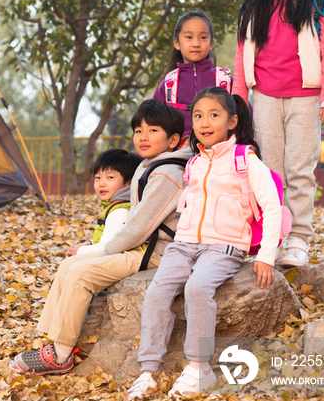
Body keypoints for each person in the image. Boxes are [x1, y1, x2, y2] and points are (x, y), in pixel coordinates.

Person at [10, 100, 191, 376]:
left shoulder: (169, 174)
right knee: (67, 266)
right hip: (138, 248)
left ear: (174, 139)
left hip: (153, 254)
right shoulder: (148, 166)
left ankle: (60, 357)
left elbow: (138, 228)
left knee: (81, 273)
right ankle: (54, 341)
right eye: (138, 130)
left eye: (153, 130)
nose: (143, 137)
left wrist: (101, 252)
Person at [126, 87, 281, 400]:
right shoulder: (194, 162)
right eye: (198, 116)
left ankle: (200, 368)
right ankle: (147, 371)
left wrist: (266, 255)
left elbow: (273, 206)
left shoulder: (245, 160)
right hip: (183, 245)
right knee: (157, 292)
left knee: (197, 289)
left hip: (224, 247)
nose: (204, 122)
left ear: (232, 121)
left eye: (214, 115)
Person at [232, 0, 324, 268]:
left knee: (300, 170)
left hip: (306, 99)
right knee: (269, 172)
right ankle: (273, 238)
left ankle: (299, 240)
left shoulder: (314, 1)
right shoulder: (252, 5)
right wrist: (238, 100)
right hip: (264, 97)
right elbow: (241, 55)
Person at [153, 9, 232, 137]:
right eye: (189, 37)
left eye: (203, 37)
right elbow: (151, 123)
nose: (196, 43)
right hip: (177, 152)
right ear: (176, 43)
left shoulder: (225, 81)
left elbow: (246, 117)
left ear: (211, 43)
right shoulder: (168, 85)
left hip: (219, 151)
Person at [67, 148, 141, 258]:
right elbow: (110, 237)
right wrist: (91, 244)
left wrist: (80, 251)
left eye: (110, 177)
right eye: (97, 177)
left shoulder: (120, 210)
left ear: (129, 183)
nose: (101, 183)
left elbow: (106, 248)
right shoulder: (116, 206)